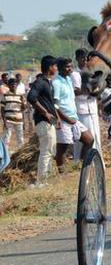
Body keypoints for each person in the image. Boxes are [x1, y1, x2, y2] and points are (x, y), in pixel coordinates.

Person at [52, 58, 94, 172]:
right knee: (63, 148)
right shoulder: (56, 82)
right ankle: (61, 172)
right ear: (60, 68)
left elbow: (74, 94)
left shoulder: (69, 80)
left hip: (74, 118)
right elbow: (55, 105)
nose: (70, 69)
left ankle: (80, 166)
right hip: (65, 119)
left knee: (89, 140)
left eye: (71, 66)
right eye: (67, 67)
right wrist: (64, 119)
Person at [27, 56, 59, 187]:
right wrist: (45, 112)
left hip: (48, 122)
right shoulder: (40, 81)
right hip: (43, 121)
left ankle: (46, 179)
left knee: (50, 150)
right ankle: (41, 181)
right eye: (55, 66)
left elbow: (49, 103)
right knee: (46, 151)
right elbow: (31, 97)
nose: (56, 69)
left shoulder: (47, 82)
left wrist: (56, 117)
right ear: (50, 67)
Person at [72, 49, 102, 157]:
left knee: (96, 138)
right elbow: (76, 91)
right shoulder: (75, 74)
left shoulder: (92, 72)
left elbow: (97, 91)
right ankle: (80, 165)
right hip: (81, 110)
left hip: (92, 108)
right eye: (82, 58)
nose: (85, 61)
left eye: (87, 58)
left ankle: (97, 163)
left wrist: (96, 92)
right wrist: (88, 90)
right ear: (77, 59)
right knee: (83, 139)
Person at [1, 78, 26, 150]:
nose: (14, 86)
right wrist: (4, 121)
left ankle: (20, 157)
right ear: (8, 85)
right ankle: (5, 157)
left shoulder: (20, 95)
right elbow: (2, 110)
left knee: (20, 139)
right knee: (6, 139)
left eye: (15, 84)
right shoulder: (5, 95)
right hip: (9, 120)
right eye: (12, 84)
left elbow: (23, 109)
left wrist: (22, 102)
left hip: (19, 120)